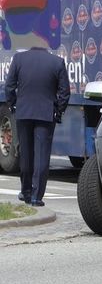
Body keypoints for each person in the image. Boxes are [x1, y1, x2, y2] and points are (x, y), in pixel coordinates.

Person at [5, 46, 70, 207]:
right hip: (45, 114)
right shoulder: (57, 62)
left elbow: (9, 87)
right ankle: (36, 197)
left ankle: (25, 191)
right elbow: (65, 92)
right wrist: (58, 111)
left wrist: (14, 105)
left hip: (23, 112)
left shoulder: (19, 59)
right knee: (41, 156)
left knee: (25, 154)